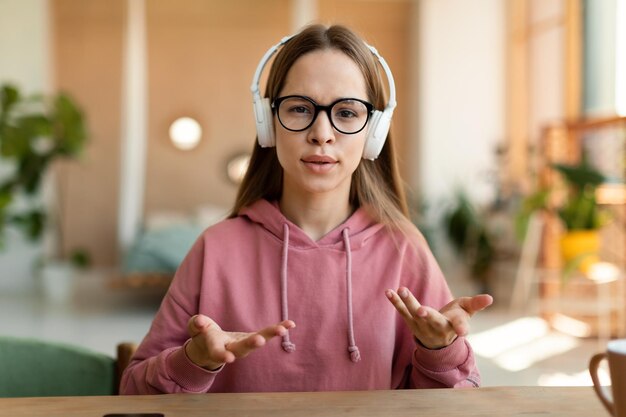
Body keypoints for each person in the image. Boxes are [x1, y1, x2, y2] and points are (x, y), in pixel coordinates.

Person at [120, 23, 493, 394]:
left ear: (373, 132)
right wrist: (192, 362)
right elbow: (132, 392)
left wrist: (439, 351)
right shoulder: (215, 247)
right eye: (300, 108)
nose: (322, 133)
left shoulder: (404, 249)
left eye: (346, 113)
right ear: (268, 122)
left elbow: (456, 399)